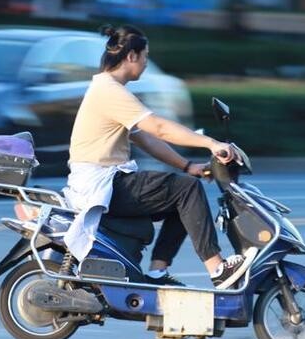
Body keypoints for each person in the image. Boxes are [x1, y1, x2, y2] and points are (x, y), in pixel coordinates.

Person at [62, 23, 251, 289]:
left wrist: (187, 165)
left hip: (106, 181)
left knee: (183, 193)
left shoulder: (108, 89)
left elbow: (146, 138)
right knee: (187, 190)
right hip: (102, 184)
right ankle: (217, 268)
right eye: (145, 57)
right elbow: (158, 127)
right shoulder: (109, 91)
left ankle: (157, 273)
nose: (146, 64)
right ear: (131, 56)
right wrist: (210, 143)